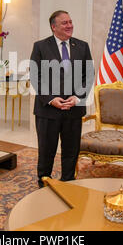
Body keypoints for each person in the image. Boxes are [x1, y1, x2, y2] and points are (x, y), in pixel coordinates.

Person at [30, 10, 94, 188]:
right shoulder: (40, 46)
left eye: (70, 21)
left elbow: (88, 76)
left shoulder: (82, 46)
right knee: (46, 150)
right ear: (54, 27)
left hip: (73, 109)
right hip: (48, 110)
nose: (70, 25)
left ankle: (68, 183)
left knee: (71, 151)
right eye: (64, 23)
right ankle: (44, 183)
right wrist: (51, 99)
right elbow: (36, 77)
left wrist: (77, 97)